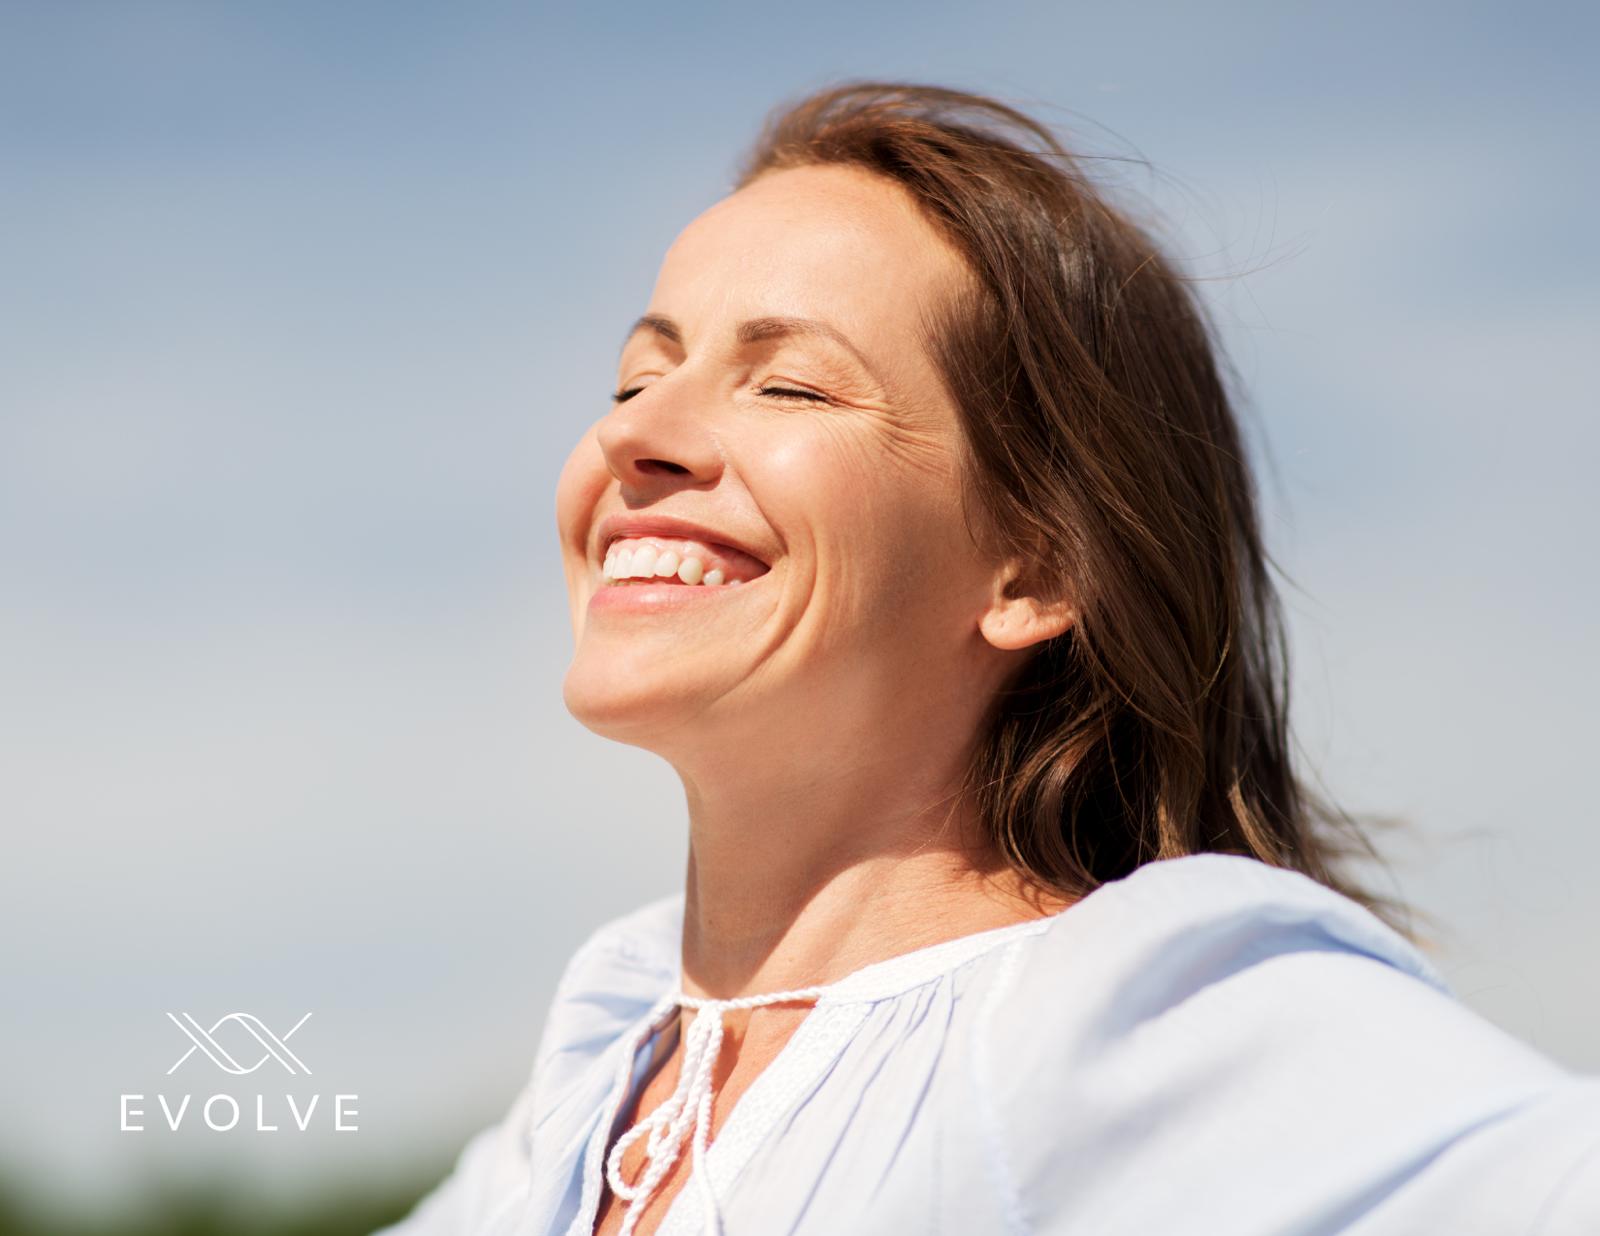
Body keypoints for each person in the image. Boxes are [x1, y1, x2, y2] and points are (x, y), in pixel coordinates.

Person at [374, 81, 1600, 1236]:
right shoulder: (602, 1067)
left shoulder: (1111, 1014)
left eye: (791, 387)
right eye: (639, 374)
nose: (633, 430)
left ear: (1034, 568)